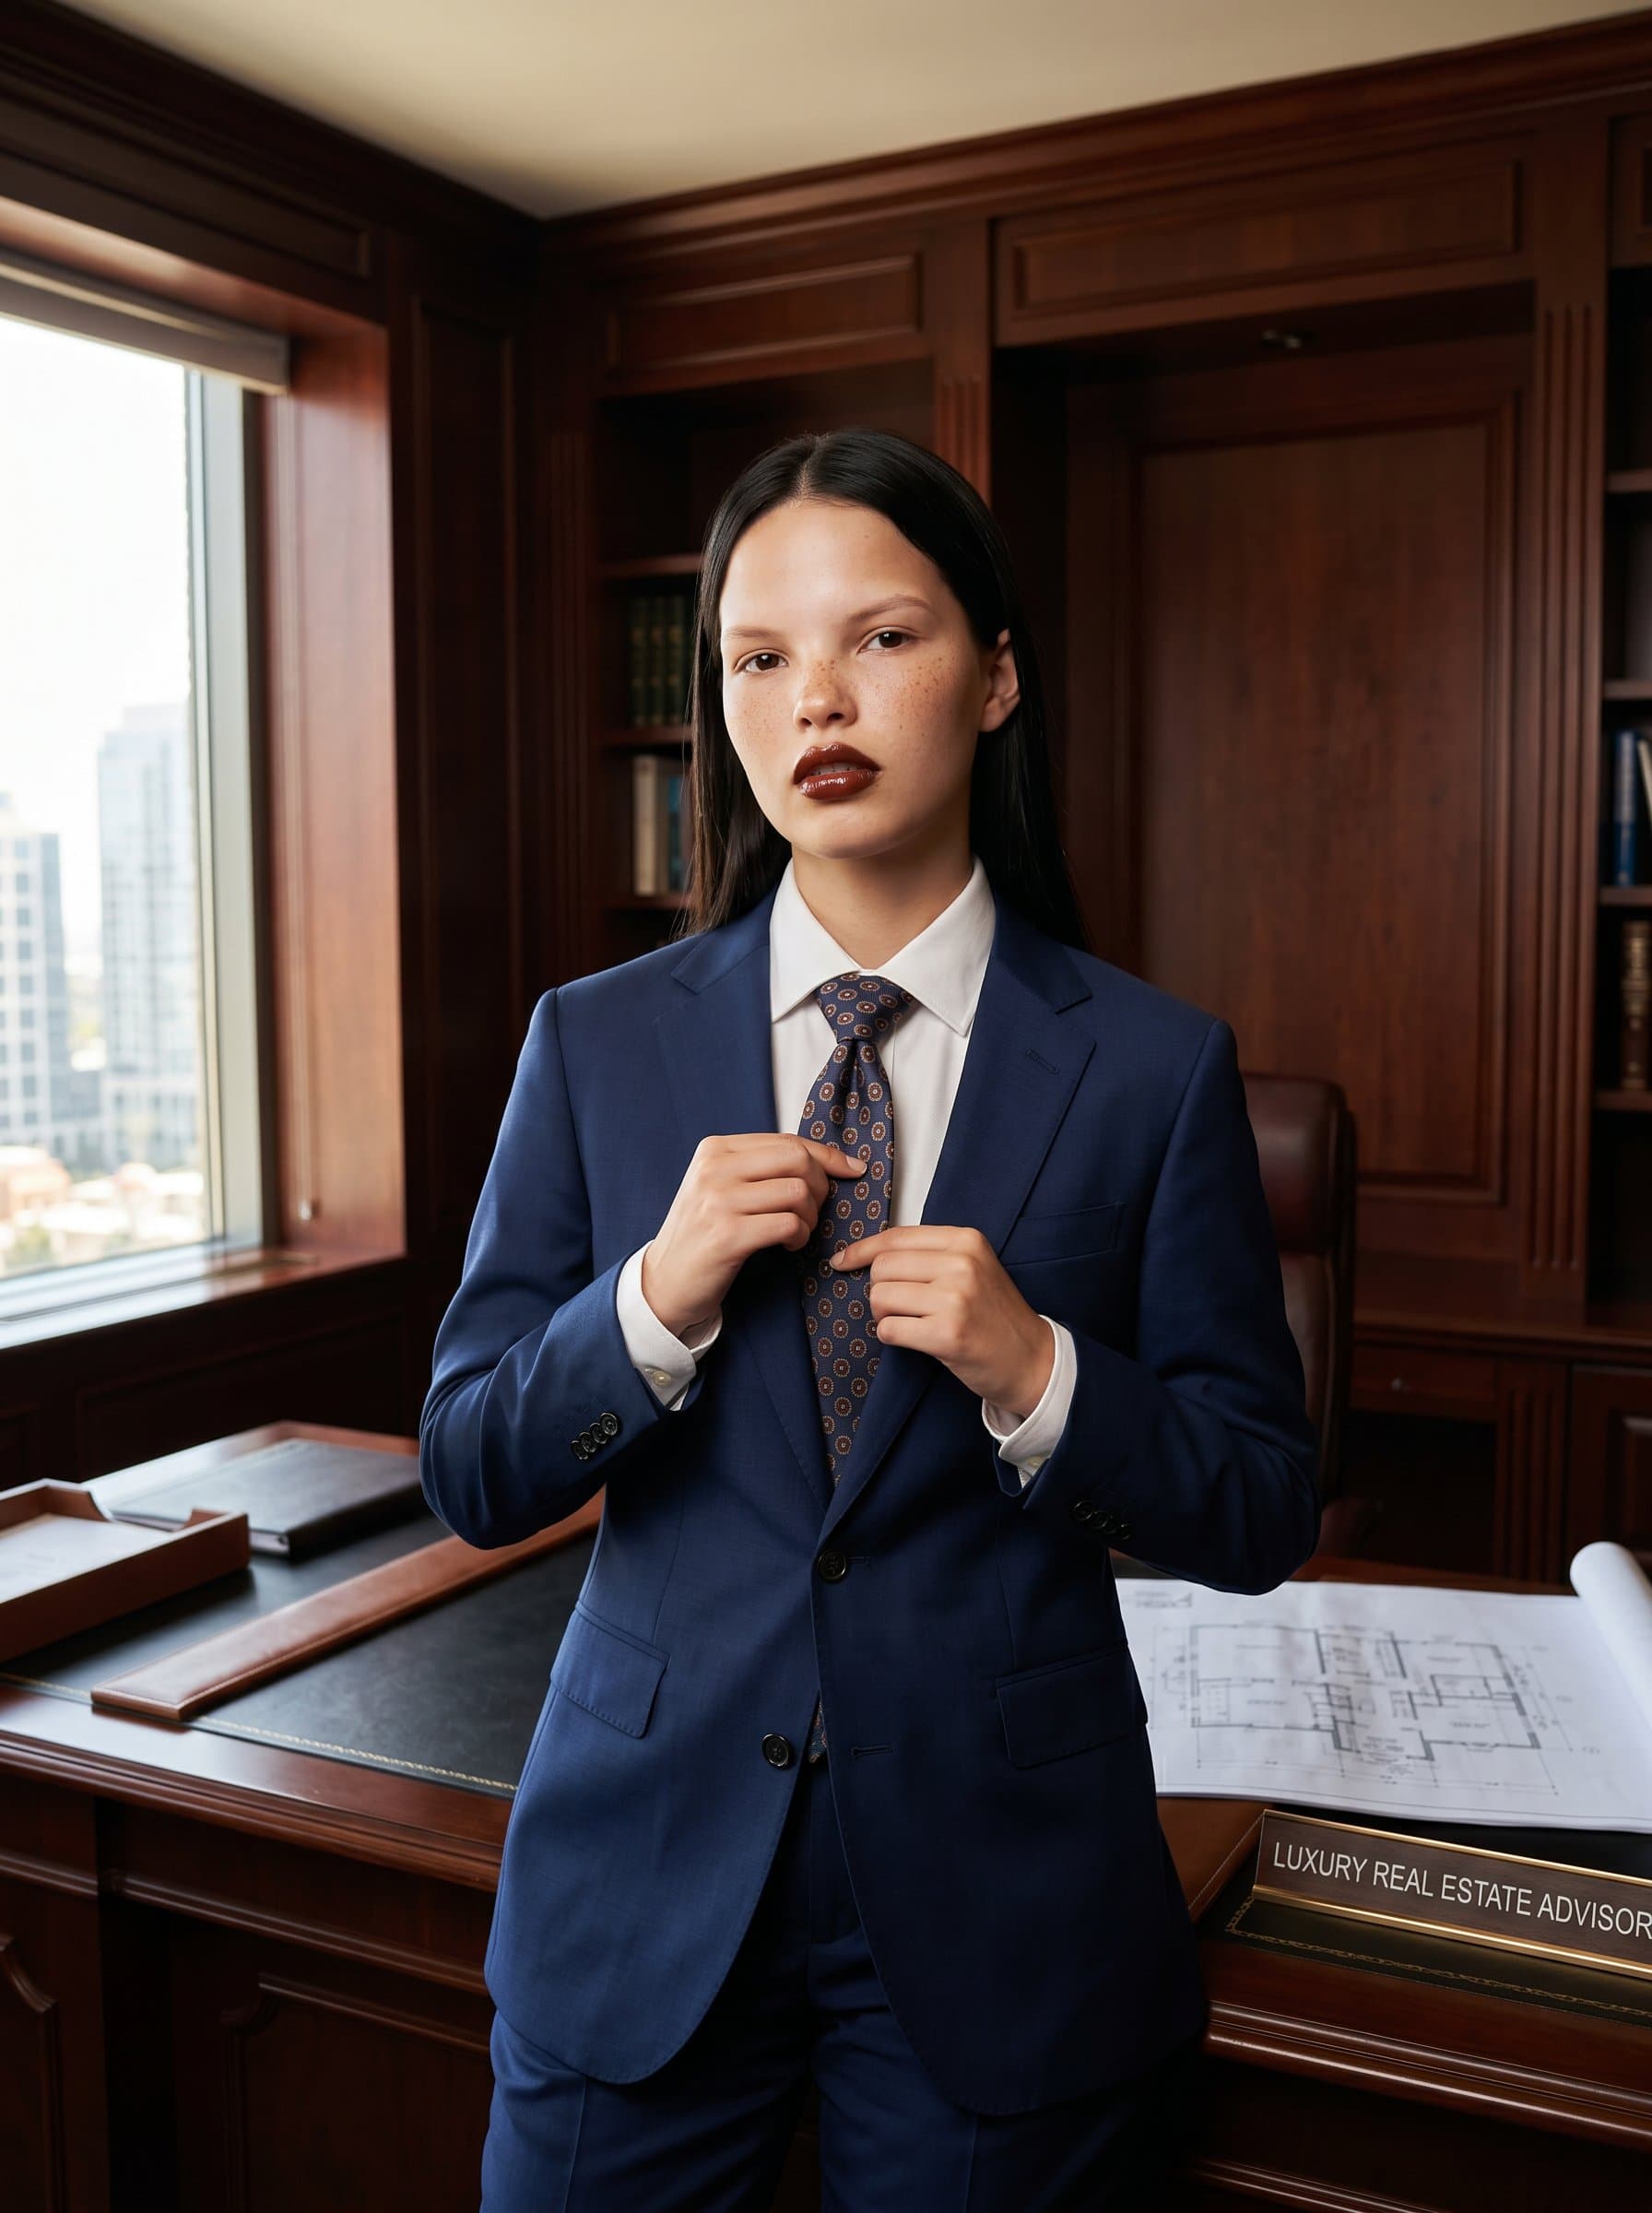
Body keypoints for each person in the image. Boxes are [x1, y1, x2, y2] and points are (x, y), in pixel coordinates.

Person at [419, 426, 1321, 2210]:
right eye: (760, 657)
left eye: (881, 639)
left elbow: (1260, 1503)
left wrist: (1040, 1376)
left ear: (994, 679)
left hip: (1005, 1905)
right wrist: (652, 1303)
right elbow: (470, 1463)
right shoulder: (593, 1044)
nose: (815, 697)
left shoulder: (1151, 1067)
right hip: (643, 1872)